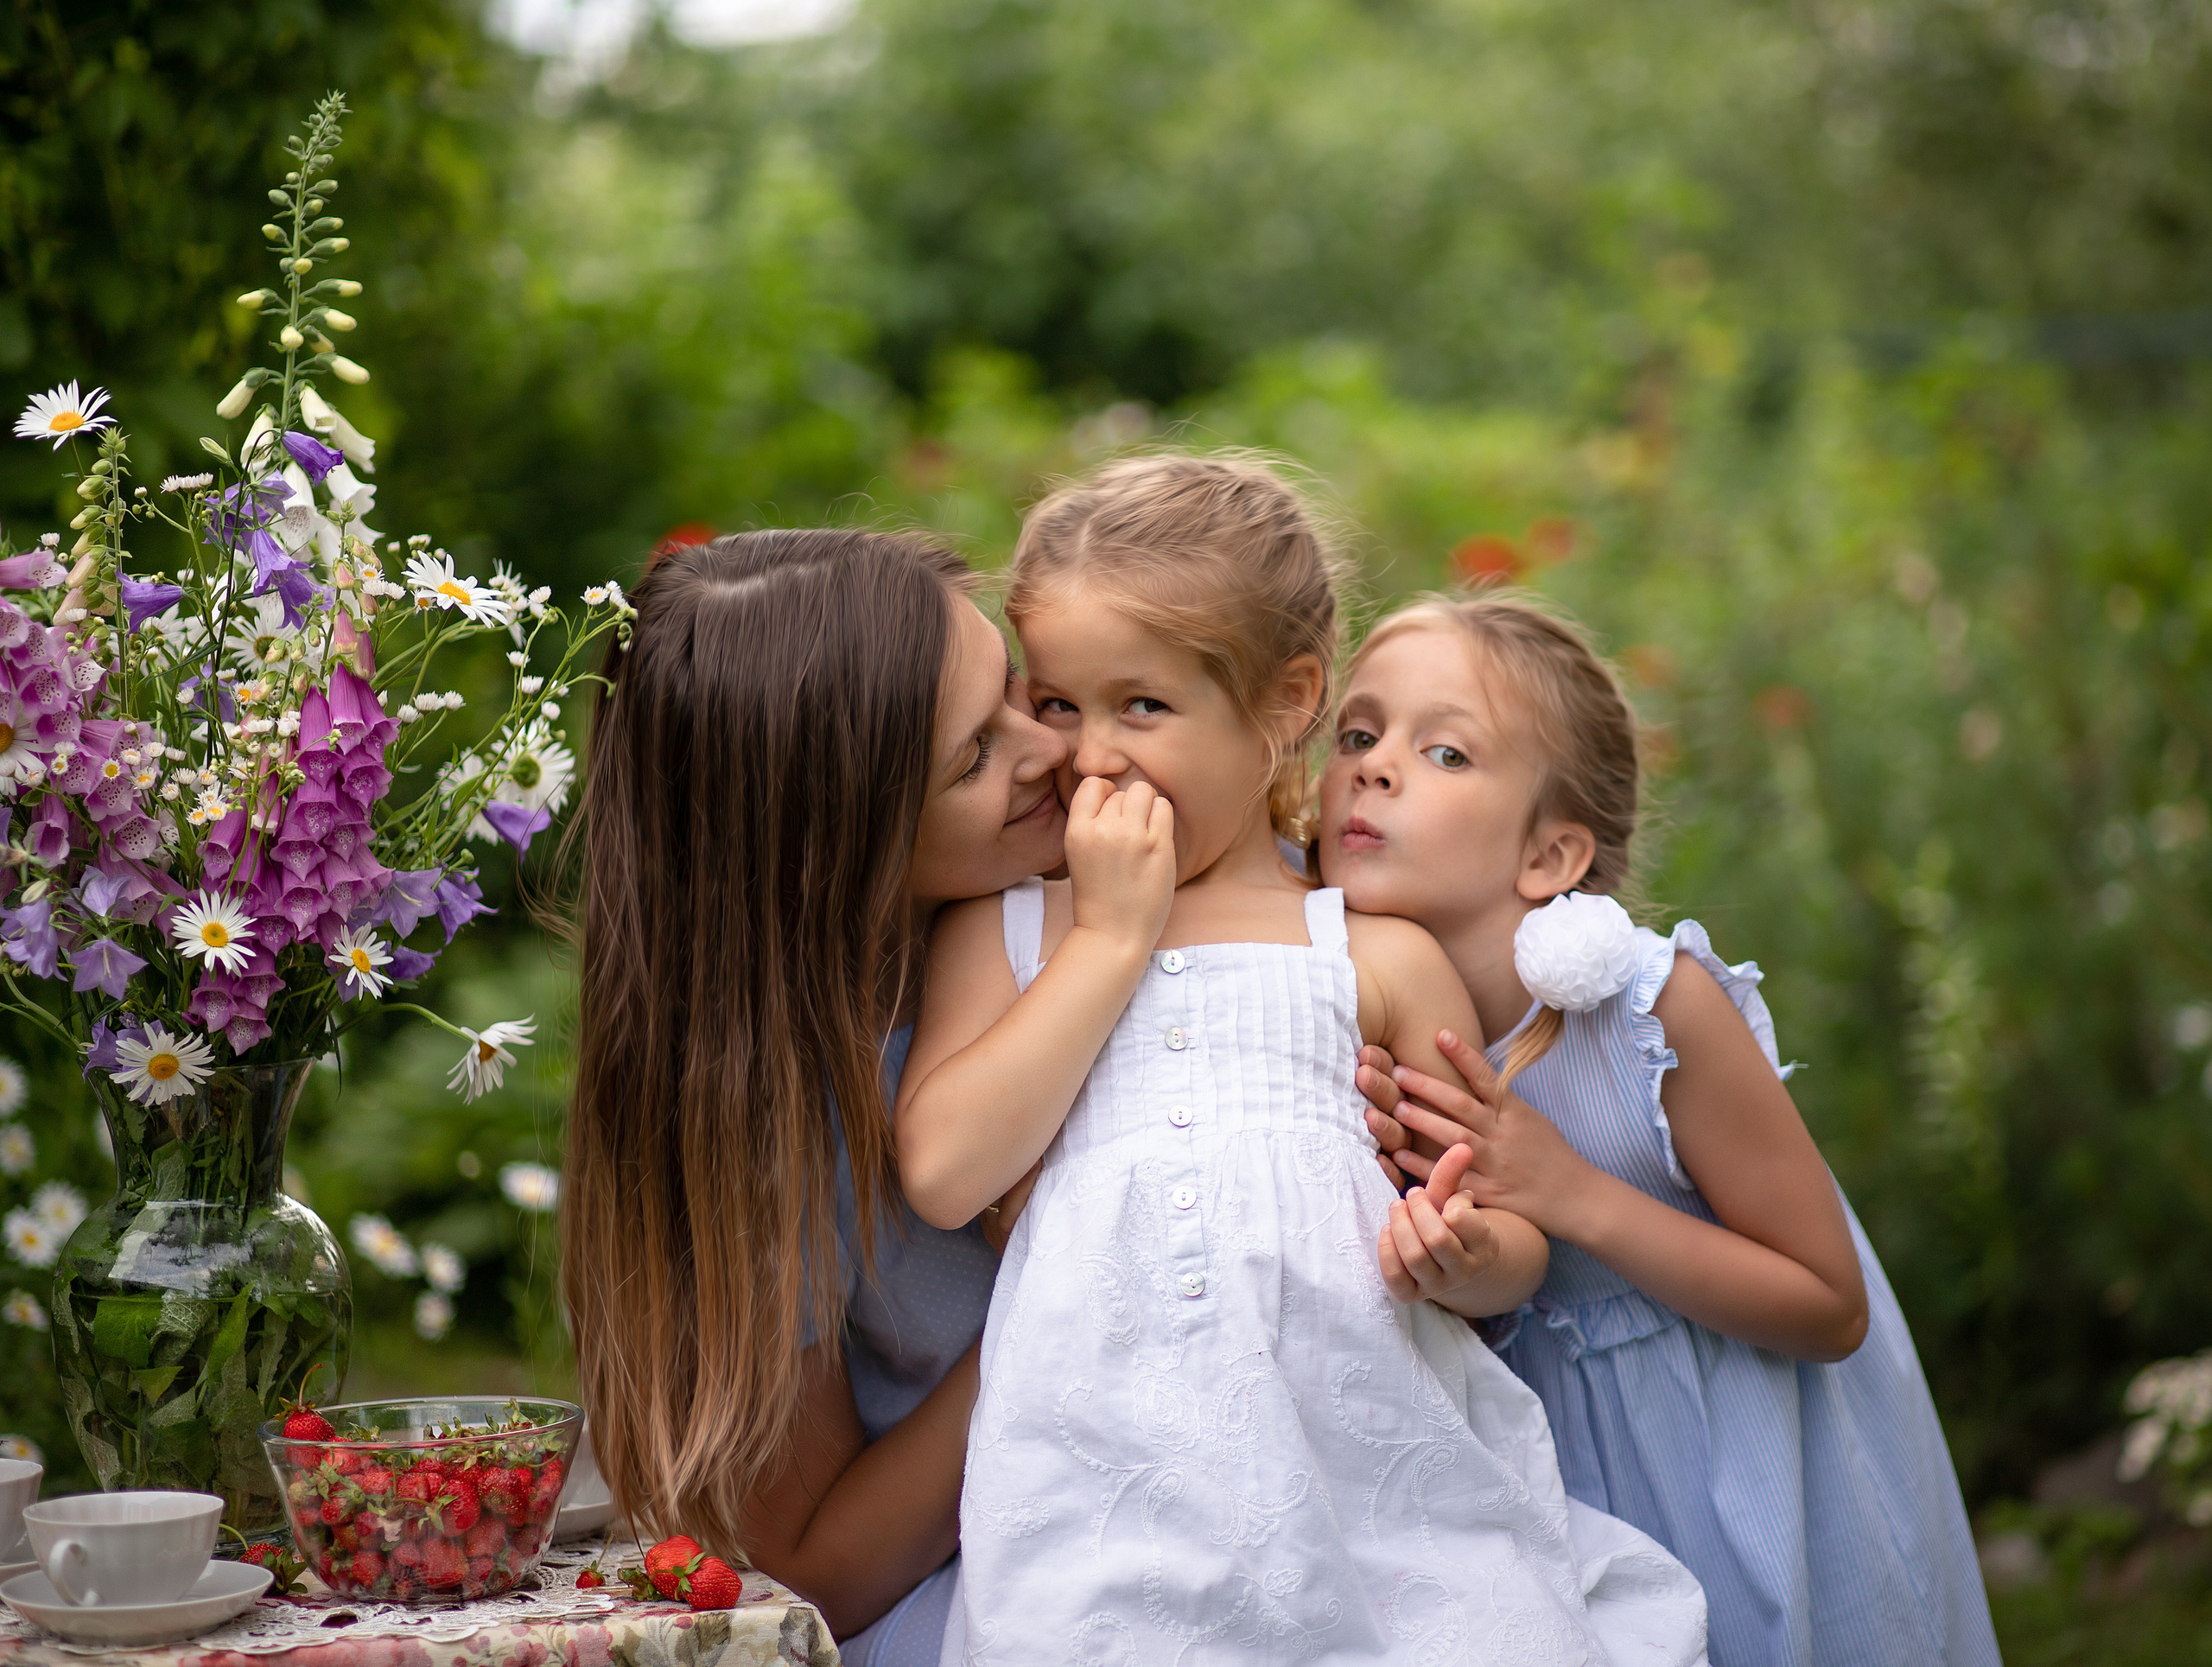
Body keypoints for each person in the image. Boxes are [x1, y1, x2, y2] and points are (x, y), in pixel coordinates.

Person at [897, 455, 1711, 1664]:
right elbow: (946, 1174)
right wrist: (1110, 936)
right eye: (1060, 704)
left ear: (1286, 702)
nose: (1094, 756)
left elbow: (1500, 1236)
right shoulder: (1010, 929)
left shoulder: (1370, 954)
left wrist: (1468, 1259)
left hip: (1361, 1471)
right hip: (1101, 1477)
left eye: (1145, 707)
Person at [1320, 592, 2000, 1667]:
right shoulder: (1348, 1016)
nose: (1374, 765)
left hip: (1744, 1454)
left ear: (1549, 857)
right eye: (1357, 734)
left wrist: (1570, 1192)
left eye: (1444, 751)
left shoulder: (1650, 1013)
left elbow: (1829, 1306)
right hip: (1546, 1476)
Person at [561, 530, 1069, 1659]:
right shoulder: (772, 1127)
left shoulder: (1088, 920)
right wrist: (1068, 1285)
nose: (1053, 748)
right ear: (829, 846)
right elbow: (810, 1574)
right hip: (979, 1597)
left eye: (1021, 693)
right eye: (976, 755)